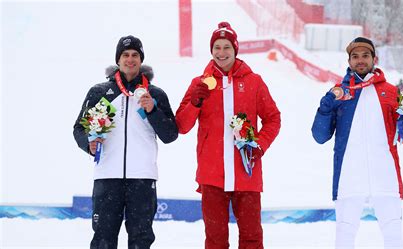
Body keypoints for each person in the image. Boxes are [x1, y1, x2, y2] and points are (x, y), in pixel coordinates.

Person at [175, 22, 281, 248]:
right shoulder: (200, 83)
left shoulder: (253, 82)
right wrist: (195, 102)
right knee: (215, 240)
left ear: (235, 50)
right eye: (217, 48)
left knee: (252, 238)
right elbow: (182, 125)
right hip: (212, 175)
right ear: (211, 50)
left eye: (226, 48)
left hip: (247, 173)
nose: (221, 53)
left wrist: (259, 145)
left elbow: (273, 118)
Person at [311, 37, 403, 249]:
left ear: (374, 59)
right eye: (355, 56)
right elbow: (320, 136)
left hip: (385, 176)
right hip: (349, 177)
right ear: (349, 61)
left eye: (365, 55)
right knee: (344, 239)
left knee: (394, 239)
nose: (360, 60)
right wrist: (325, 106)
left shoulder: (391, 92)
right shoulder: (339, 92)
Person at [73, 35, 178, 249]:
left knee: (141, 240)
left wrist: (152, 110)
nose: (130, 59)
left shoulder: (155, 94)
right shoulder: (100, 92)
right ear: (118, 60)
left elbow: (170, 134)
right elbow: (79, 129)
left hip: (142, 178)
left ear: (141, 60)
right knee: (103, 239)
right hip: (107, 178)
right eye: (125, 55)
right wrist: (89, 145)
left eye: (135, 55)